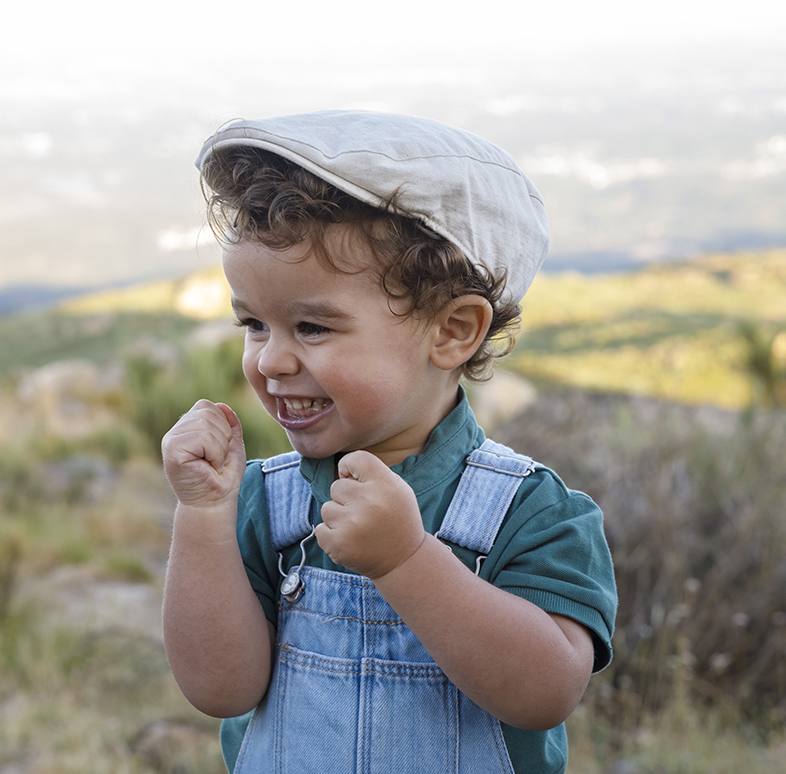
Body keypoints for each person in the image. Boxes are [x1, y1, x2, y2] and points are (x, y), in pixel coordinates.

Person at [161, 110, 617, 774]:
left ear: (453, 331)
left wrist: (406, 559)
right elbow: (220, 690)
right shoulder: (262, 502)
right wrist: (203, 516)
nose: (270, 360)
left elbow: (545, 694)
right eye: (254, 324)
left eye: (312, 327)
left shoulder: (532, 514)